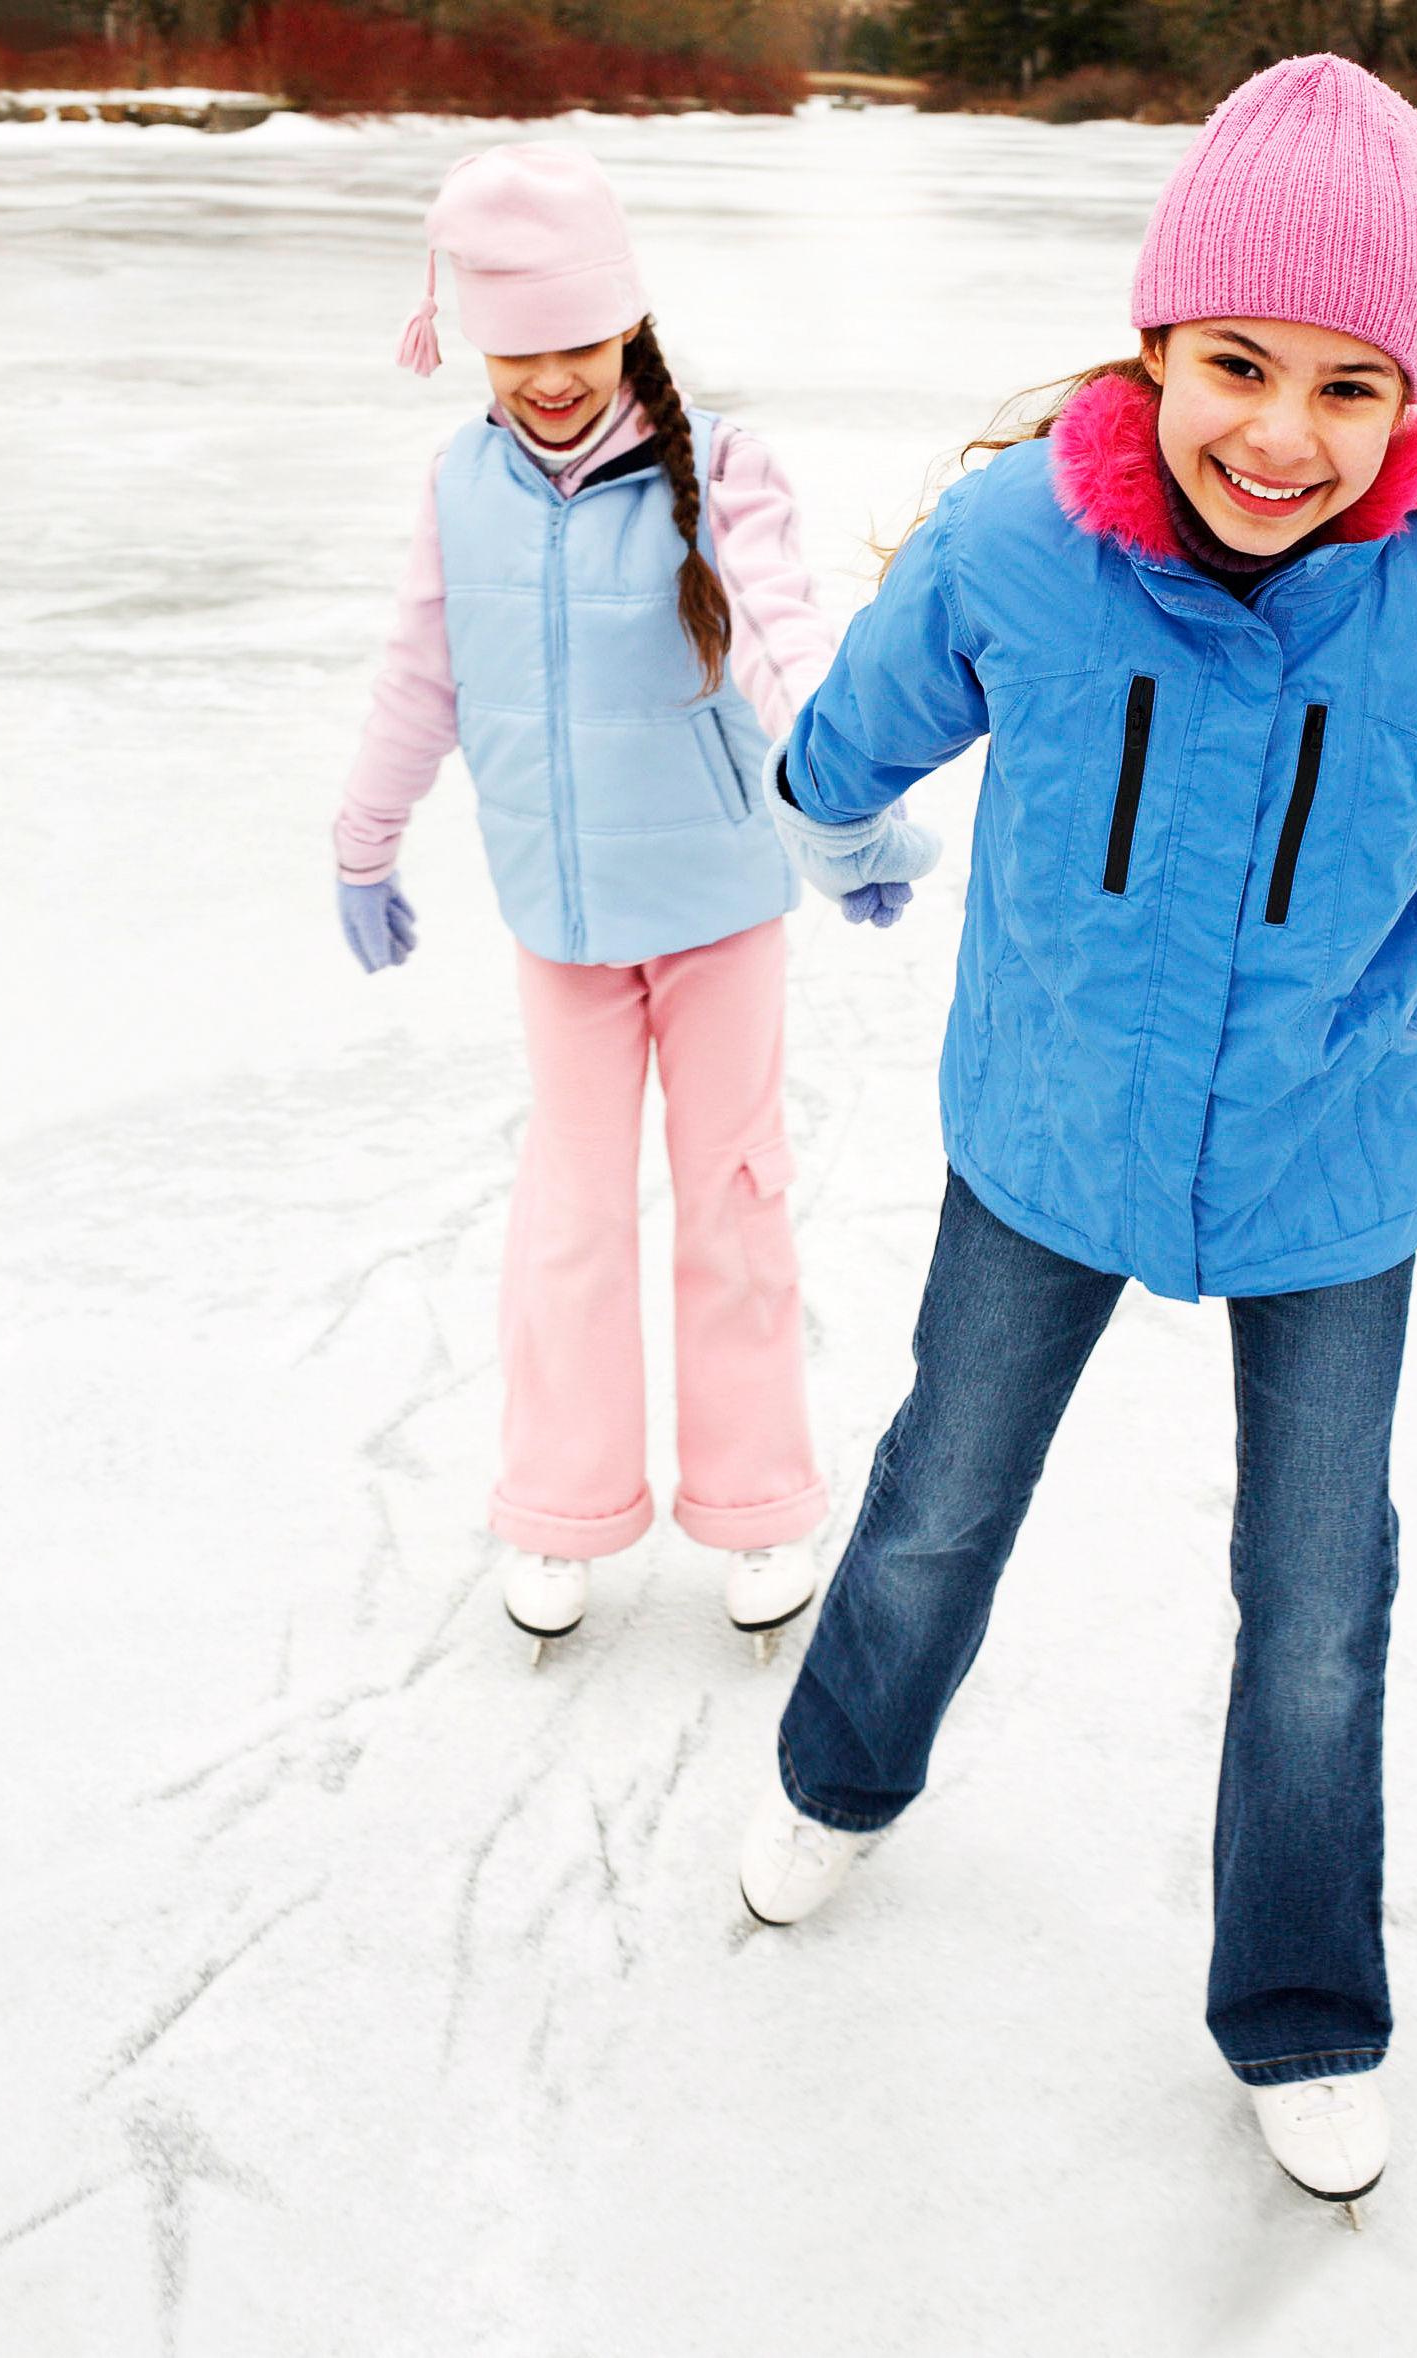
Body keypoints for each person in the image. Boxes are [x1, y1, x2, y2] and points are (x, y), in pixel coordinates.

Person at [733, 54, 1417, 2213]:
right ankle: (838, 1773)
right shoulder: (1023, 542)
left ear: (1408, 400)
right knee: (941, 1496)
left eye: (1348, 385)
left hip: (1325, 1171)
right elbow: (860, 728)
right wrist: (837, 820)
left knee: (1317, 1597)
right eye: (1238, 364)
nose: (1282, 434)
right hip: (1047, 1132)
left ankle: (1299, 2003)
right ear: (1157, 345)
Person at [335, 145, 838, 1661]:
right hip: (560, 919)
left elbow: (785, 643)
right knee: (569, 1214)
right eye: (518, 349)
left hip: (716, 907)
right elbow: (420, 674)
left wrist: (847, 803)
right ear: (474, 343)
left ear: (627, 325)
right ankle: (563, 1504)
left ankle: (755, 1503)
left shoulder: (722, 470)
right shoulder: (461, 485)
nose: (550, 379)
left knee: (734, 1200)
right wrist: (365, 838)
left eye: (578, 341)